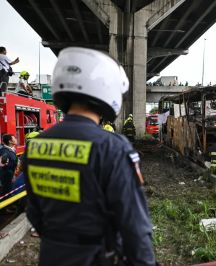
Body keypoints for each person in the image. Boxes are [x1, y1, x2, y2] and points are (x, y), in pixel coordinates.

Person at [23, 47, 156, 266]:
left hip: (51, 255)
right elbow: (134, 227)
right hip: (95, 257)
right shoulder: (112, 148)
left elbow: (34, 212)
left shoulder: (35, 145)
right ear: (107, 88)